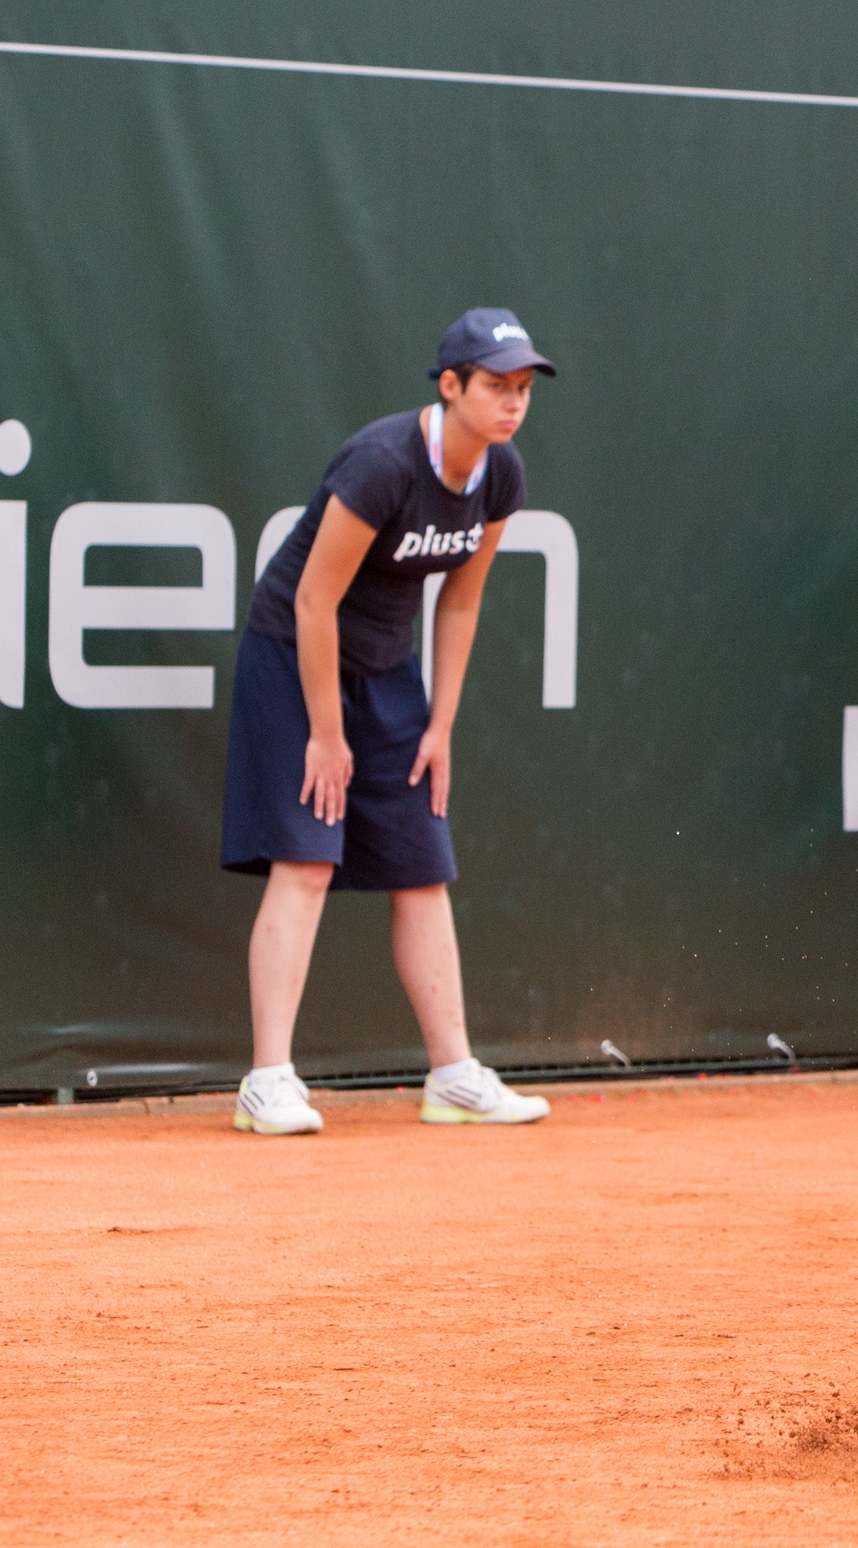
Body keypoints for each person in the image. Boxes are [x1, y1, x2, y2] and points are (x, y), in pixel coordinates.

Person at [221, 308, 559, 1136]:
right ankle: (267, 1080)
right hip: (295, 655)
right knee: (305, 860)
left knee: (422, 866)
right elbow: (312, 599)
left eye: (523, 389)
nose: (512, 404)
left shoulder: (501, 477)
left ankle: (453, 1075)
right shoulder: (381, 464)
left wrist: (438, 725)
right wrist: (327, 734)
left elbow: (462, 601)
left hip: (387, 669)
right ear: (450, 387)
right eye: (495, 387)